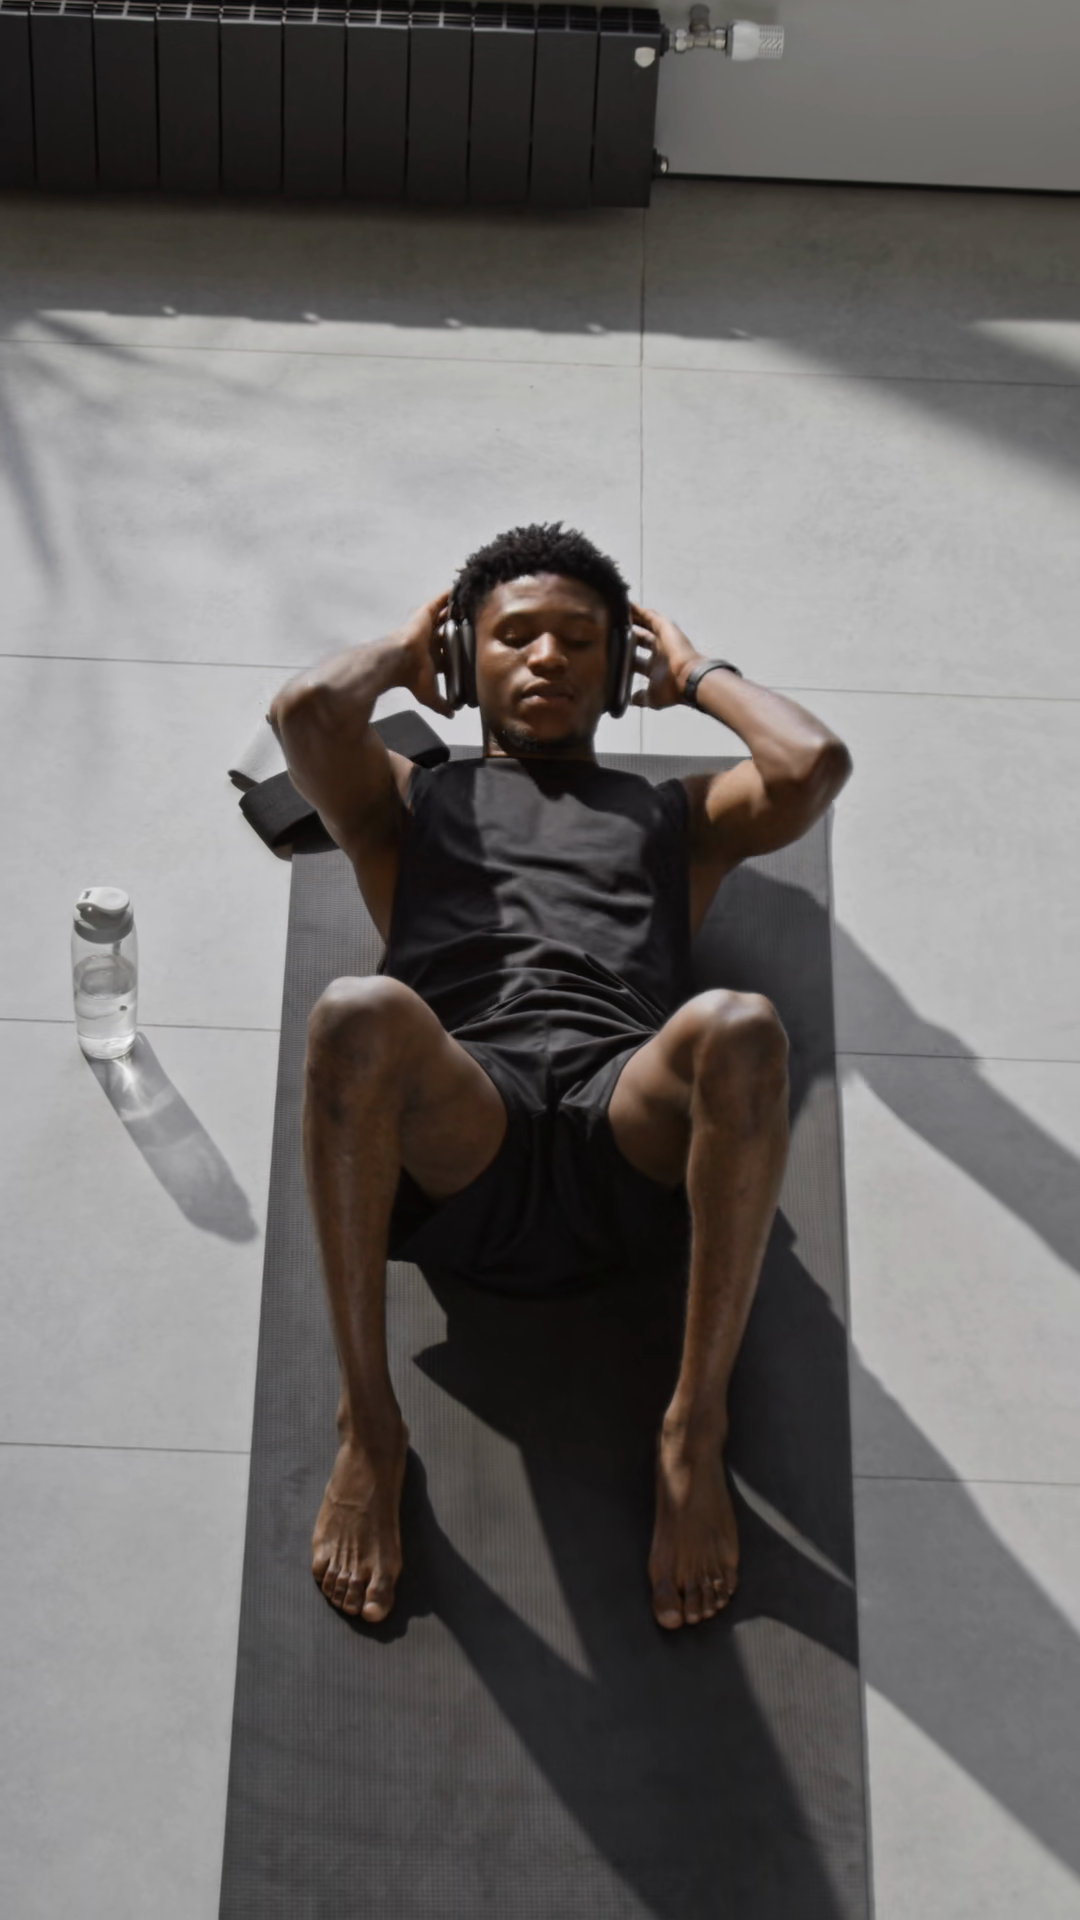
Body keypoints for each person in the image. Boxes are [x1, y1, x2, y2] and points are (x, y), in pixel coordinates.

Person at [270, 523, 852, 1633]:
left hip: (621, 1127)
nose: (547, 658)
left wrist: (699, 675)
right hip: (465, 1129)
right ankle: (369, 1425)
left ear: (620, 668)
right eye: (515, 637)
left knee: (741, 1025)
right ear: (464, 656)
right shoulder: (405, 803)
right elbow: (304, 714)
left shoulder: (677, 818)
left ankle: (694, 1430)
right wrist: (405, 652)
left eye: (581, 641)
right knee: (355, 1012)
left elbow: (810, 764)